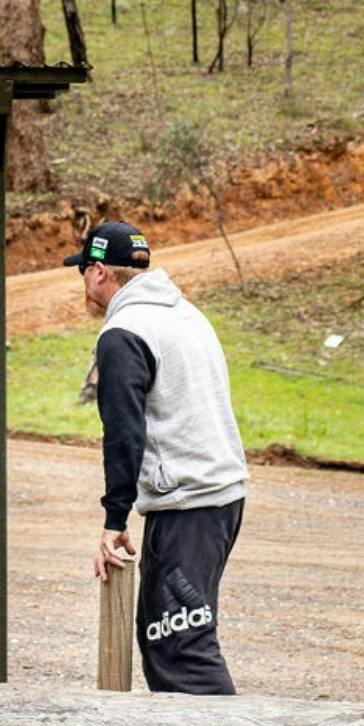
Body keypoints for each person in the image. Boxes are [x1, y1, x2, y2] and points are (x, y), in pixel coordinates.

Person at [68, 220, 248, 695]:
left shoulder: (124, 332)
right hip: (218, 494)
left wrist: (113, 518)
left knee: (179, 647)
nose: (83, 283)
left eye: (83, 271)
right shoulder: (183, 313)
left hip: (191, 501)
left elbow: (124, 433)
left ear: (101, 272)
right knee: (163, 634)